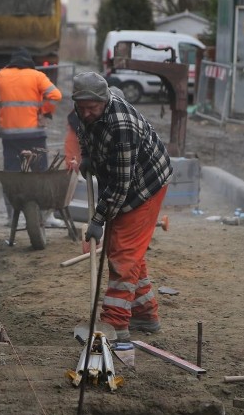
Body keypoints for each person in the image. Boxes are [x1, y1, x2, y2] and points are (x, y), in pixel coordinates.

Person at [71, 72, 172, 342]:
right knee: (127, 251)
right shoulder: (84, 107)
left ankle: (114, 323)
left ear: (104, 101)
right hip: (122, 183)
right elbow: (83, 132)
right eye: (82, 108)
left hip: (144, 186)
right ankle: (145, 314)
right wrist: (88, 156)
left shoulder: (121, 125)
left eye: (92, 108)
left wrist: (98, 220)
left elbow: (120, 184)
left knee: (122, 255)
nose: (86, 113)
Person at [0, 48, 62, 214]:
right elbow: (56, 95)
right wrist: (45, 112)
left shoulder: (1, 75)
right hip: (34, 135)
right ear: (30, 63)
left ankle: (10, 215)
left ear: (11, 63)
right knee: (40, 173)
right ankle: (44, 213)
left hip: (9, 137)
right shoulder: (37, 76)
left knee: (12, 176)